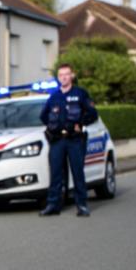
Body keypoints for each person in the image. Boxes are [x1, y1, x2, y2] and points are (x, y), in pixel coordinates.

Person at [39, 63, 98, 217]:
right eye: (61, 75)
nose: (64, 77)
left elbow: (93, 113)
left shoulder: (80, 94)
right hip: (57, 141)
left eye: (66, 74)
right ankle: (53, 205)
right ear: (58, 78)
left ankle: (82, 205)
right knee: (56, 173)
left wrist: (81, 123)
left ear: (72, 75)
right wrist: (52, 127)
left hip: (74, 140)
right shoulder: (54, 96)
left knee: (77, 172)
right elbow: (43, 116)